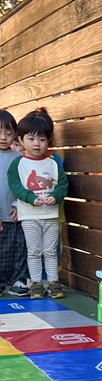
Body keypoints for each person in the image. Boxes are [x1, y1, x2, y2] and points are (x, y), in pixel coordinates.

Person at [8, 107, 67, 300]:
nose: (36, 143)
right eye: (31, 139)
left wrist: (55, 196)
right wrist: (31, 198)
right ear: (21, 140)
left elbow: (63, 185)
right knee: (34, 251)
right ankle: (36, 284)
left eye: (42, 139)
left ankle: (53, 283)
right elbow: (15, 186)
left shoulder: (53, 163)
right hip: (30, 216)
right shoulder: (18, 163)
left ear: (48, 141)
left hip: (50, 215)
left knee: (50, 252)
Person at [0, 110, 30, 297]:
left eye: (8, 133)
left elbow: (27, 185)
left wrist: (19, 205)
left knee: (19, 249)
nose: (3, 137)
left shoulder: (20, 158)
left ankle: (18, 281)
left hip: (16, 215)